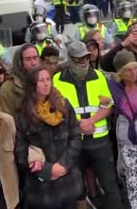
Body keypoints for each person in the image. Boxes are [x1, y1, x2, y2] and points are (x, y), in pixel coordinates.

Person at [53, 41, 123, 209]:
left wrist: (91, 121)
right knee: (78, 189)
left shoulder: (98, 76)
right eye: (79, 59)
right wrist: (78, 126)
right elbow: (56, 111)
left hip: (99, 140)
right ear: (70, 59)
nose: (84, 62)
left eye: (86, 57)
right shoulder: (58, 80)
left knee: (110, 185)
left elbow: (108, 106)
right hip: (72, 143)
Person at [15, 67, 82, 209]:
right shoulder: (23, 114)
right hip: (41, 189)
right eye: (41, 80)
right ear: (33, 84)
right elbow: (21, 152)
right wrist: (47, 170)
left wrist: (63, 165)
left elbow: (75, 136)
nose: (46, 84)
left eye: (48, 79)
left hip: (68, 181)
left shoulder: (64, 105)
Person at [107, 50, 137, 209]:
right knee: (133, 186)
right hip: (126, 144)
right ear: (120, 72)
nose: (134, 73)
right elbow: (104, 62)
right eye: (128, 69)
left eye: (135, 68)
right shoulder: (113, 86)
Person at [0, 44, 40, 116]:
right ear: (20, 62)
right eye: (28, 59)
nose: (33, 63)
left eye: (35, 58)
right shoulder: (8, 88)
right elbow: (7, 120)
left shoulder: (44, 80)